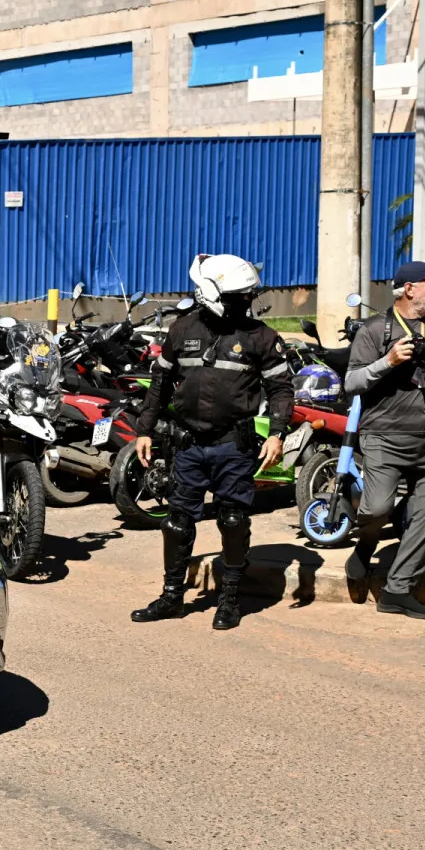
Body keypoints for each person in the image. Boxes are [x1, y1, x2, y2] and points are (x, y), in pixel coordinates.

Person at [129, 253, 294, 630]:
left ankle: (230, 601)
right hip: (187, 446)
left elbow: (281, 389)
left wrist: (279, 434)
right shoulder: (181, 329)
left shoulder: (261, 337)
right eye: (239, 296)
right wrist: (145, 429)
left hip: (233, 446)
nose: (246, 302)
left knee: (233, 520)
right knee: (176, 522)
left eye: (248, 295)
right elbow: (160, 384)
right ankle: (172, 597)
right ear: (212, 294)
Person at [342, 261, 425, 619]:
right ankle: (365, 547)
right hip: (386, 436)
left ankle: (397, 591)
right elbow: (351, 384)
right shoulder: (374, 329)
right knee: (376, 509)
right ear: (410, 289)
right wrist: (389, 360)